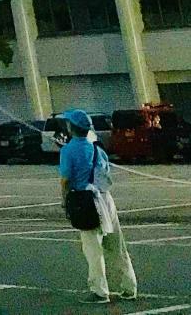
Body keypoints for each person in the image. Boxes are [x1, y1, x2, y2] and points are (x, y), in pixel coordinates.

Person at [59, 109, 136, 303]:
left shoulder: (67, 150)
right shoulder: (97, 149)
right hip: (105, 198)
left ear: (71, 127)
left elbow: (66, 180)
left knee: (93, 248)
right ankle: (129, 287)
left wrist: (65, 201)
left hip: (86, 201)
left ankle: (100, 291)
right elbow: (105, 174)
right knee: (117, 245)